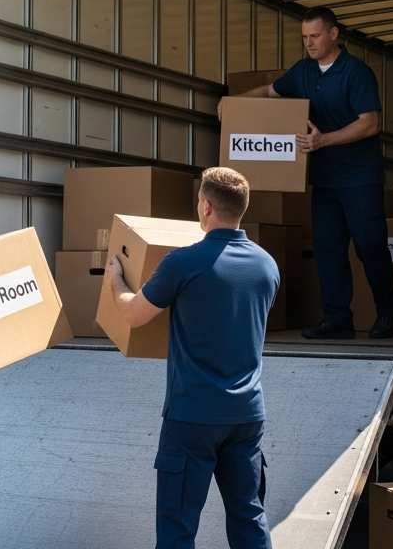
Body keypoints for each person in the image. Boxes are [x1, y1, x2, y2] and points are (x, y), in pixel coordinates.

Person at [106, 166, 279, 549]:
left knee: (177, 528)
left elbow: (134, 313)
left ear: (205, 206)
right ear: (242, 209)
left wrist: (116, 278)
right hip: (247, 415)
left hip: (192, 416)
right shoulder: (267, 265)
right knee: (249, 516)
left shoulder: (183, 263)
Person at [239, 5, 393, 339]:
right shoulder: (303, 72)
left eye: (314, 36)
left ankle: (388, 311)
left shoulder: (357, 73)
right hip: (325, 179)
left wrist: (323, 140)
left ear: (333, 33)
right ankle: (337, 319)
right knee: (328, 248)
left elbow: (369, 123)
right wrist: (235, 103)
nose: (309, 43)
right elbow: (270, 92)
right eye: (304, 38)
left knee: (370, 245)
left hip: (360, 177)